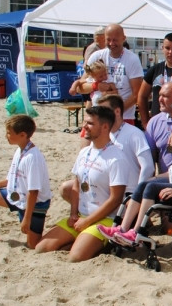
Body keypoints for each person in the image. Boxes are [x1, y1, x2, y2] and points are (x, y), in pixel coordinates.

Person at [98, 95, 172, 247]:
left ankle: (137, 232)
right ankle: (122, 228)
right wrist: (156, 177)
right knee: (145, 184)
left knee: (151, 187)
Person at [34, 106, 130, 262]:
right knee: (41, 249)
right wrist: (73, 213)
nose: (84, 126)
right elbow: (76, 186)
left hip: (103, 219)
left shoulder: (116, 158)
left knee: (75, 258)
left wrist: (88, 221)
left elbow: (115, 199)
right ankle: (81, 241)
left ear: (105, 127)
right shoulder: (84, 152)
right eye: (85, 122)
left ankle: (100, 243)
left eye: (90, 123)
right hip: (80, 216)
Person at [0, 115, 52, 249]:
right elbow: (10, 179)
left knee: (34, 245)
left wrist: (26, 219)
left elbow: (33, 192)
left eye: (9, 133)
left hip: (34, 204)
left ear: (22, 135)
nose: (6, 136)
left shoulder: (33, 157)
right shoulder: (19, 150)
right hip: (17, 195)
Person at [85, 23, 144, 125]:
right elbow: (81, 87)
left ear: (123, 38)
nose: (112, 43)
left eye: (115, 40)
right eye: (108, 39)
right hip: (98, 117)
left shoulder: (132, 59)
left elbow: (136, 94)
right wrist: (96, 86)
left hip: (123, 118)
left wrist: (117, 112)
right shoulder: (96, 56)